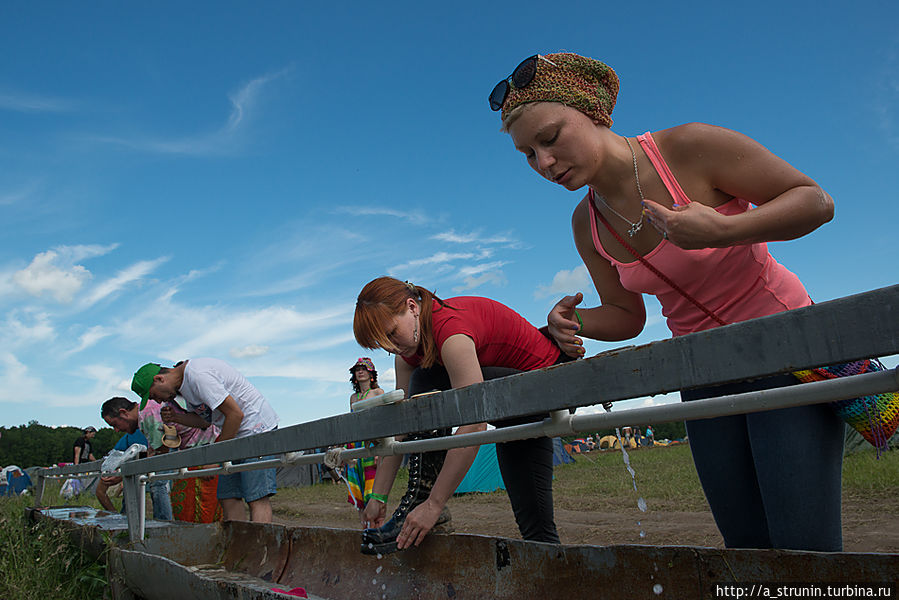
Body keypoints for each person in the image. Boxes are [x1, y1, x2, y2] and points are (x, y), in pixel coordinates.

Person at [491, 52, 842, 551]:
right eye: (528, 154)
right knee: (744, 546)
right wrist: (573, 322)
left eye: (549, 138)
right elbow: (628, 317)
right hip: (699, 377)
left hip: (786, 351)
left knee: (804, 547)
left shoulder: (690, 147)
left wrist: (724, 230)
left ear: (593, 111)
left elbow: (815, 201)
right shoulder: (585, 224)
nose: (544, 163)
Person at [353, 276, 572, 554]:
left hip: (550, 384)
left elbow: (475, 422)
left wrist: (433, 504)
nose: (392, 347)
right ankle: (420, 501)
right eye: (382, 344)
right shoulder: (407, 353)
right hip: (511, 403)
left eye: (392, 333)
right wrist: (377, 497)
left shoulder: (450, 332)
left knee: (426, 378)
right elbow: (402, 429)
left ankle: (424, 501)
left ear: (412, 307)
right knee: (536, 530)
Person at [131, 358, 279, 523]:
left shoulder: (198, 376)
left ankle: (258, 548)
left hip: (256, 429)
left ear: (159, 379)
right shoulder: (185, 387)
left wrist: (216, 457)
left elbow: (236, 414)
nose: (158, 401)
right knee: (229, 497)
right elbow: (206, 421)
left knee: (256, 497)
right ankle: (238, 545)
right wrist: (177, 418)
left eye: (154, 395)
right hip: (234, 433)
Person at [99, 397, 173, 520]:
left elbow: (161, 452)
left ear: (123, 413)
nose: (116, 430)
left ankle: (163, 526)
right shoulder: (143, 419)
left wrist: (124, 473)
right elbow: (151, 452)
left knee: (158, 483)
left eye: (115, 425)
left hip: (195, 443)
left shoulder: (148, 414)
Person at [346, 358, 384, 519]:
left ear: (371, 374)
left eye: (364, 369)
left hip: (373, 442)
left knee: (372, 484)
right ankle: (364, 525)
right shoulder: (353, 398)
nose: (360, 371)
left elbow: (383, 421)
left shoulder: (378, 393)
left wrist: (380, 452)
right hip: (355, 443)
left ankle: (376, 524)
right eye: (357, 369)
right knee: (357, 486)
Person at [95, 423, 149, 512]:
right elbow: (100, 491)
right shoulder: (131, 439)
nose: (116, 430)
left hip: (130, 457)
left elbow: (100, 492)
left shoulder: (133, 438)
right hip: (124, 459)